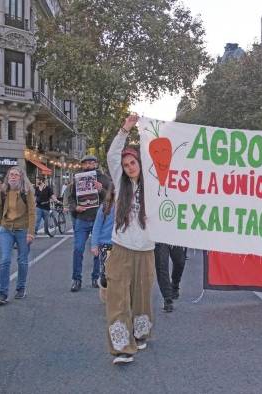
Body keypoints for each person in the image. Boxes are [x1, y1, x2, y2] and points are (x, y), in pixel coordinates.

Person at [105, 114, 155, 365]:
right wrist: (125, 129)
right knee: (117, 296)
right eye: (125, 165)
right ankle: (122, 346)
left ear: (140, 162)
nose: (129, 167)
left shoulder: (155, 185)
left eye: (132, 162)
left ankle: (141, 332)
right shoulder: (120, 182)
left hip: (146, 249)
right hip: (121, 248)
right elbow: (112, 156)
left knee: (142, 295)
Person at [0, 167, 36, 305]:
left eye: (16, 175)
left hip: (22, 229)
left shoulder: (26, 191)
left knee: (22, 260)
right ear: (7, 176)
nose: (13, 177)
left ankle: (21, 288)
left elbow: (32, 213)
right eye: (11, 174)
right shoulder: (3, 191)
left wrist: (31, 232)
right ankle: (3, 293)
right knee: (4, 260)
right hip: (6, 229)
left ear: (21, 177)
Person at [68, 155, 111, 291]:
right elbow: (71, 198)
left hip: (99, 220)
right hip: (82, 218)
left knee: (98, 251)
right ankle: (76, 279)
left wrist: (101, 190)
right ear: (82, 165)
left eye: (91, 162)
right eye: (86, 163)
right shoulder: (77, 179)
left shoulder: (104, 179)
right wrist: (75, 207)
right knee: (78, 249)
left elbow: (112, 197)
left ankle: (96, 277)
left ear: (96, 163)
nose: (89, 165)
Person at [91, 184, 116, 303]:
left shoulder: (128, 206)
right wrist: (94, 245)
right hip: (106, 244)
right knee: (106, 273)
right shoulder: (105, 207)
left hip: (121, 245)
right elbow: (96, 227)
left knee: (119, 272)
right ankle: (104, 288)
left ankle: (116, 297)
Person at [154, 243, 186, 312]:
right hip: (159, 238)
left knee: (180, 262)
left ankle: (175, 284)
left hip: (174, 237)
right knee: (162, 266)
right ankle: (167, 298)